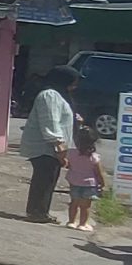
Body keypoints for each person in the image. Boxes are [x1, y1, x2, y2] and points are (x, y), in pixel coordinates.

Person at [22, 66, 79, 224]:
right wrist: (59, 145)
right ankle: (36, 212)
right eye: (73, 82)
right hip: (46, 147)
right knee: (44, 180)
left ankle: (41, 211)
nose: (74, 86)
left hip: (53, 147)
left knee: (49, 179)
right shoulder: (50, 95)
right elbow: (50, 121)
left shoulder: (60, 95)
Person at [64, 126, 106, 233]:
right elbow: (99, 173)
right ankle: (82, 224)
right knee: (85, 205)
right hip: (89, 184)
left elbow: (68, 165)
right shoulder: (94, 157)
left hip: (74, 181)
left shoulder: (71, 153)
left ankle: (71, 222)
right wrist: (102, 183)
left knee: (74, 202)